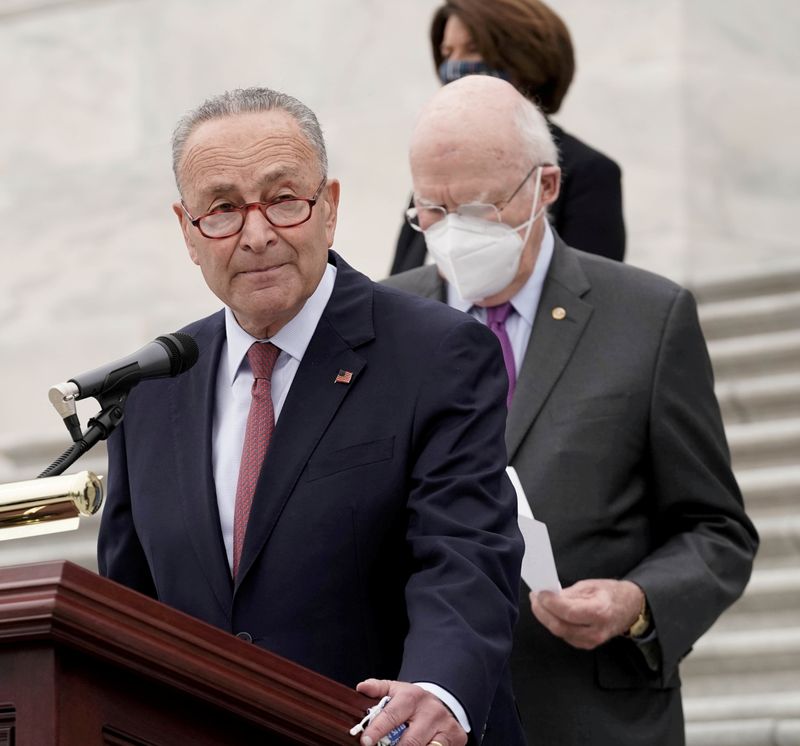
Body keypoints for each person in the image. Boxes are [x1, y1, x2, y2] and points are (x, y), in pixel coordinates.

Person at [97, 86, 527, 746]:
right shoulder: (154, 387)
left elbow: (465, 555)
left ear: (329, 207)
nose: (257, 233)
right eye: (222, 210)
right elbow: (131, 607)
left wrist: (439, 687)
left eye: (283, 199)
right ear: (187, 231)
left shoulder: (438, 352)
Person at [383, 75, 759, 746]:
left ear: (546, 188)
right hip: (428, 718)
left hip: (590, 715)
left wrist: (638, 603)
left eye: (476, 206)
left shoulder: (649, 318)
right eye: (431, 212)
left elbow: (716, 531)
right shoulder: (386, 320)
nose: (451, 234)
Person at [390, 0, 626, 276]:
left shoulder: (587, 172)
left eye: (473, 50)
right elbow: (400, 284)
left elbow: (590, 294)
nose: (455, 66)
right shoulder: (441, 170)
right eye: (447, 53)